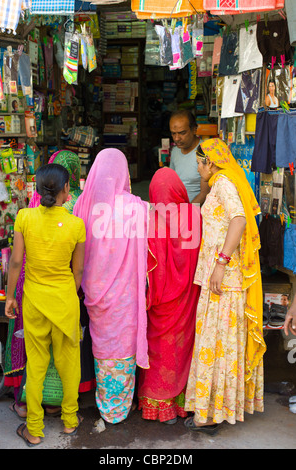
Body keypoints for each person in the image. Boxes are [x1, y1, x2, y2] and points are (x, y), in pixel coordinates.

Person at [4, 150, 94, 421]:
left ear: (38, 188)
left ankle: (33, 426)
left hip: (33, 300)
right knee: (68, 362)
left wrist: (10, 298)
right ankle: (69, 419)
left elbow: (17, 262)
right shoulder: (77, 224)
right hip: (64, 300)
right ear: (68, 189)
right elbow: (77, 268)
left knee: (37, 362)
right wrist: (71, 291)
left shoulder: (24, 217)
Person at [184, 138, 266, 434]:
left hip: (224, 279)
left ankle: (210, 413)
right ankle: (212, 408)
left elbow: (240, 219)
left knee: (216, 342)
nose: (197, 167)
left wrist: (220, 262)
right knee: (217, 342)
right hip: (219, 278)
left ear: (212, 162)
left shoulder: (222, 183)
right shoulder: (219, 182)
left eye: (199, 162)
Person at [73, 148, 149, 424]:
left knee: (103, 345)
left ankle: (106, 404)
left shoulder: (83, 203)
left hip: (93, 291)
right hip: (125, 294)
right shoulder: (135, 207)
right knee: (122, 345)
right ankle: (118, 407)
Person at [138, 167, 202, 424]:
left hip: (159, 300)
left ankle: (156, 404)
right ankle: (182, 400)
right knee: (181, 347)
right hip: (187, 298)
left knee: (159, 347)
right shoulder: (194, 217)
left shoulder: (150, 219)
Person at [169, 109, 210, 204]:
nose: (176, 138)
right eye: (173, 133)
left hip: (196, 212)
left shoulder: (204, 152)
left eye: (182, 133)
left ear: (194, 129)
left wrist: (187, 213)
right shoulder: (175, 151)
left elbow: (204, 193)